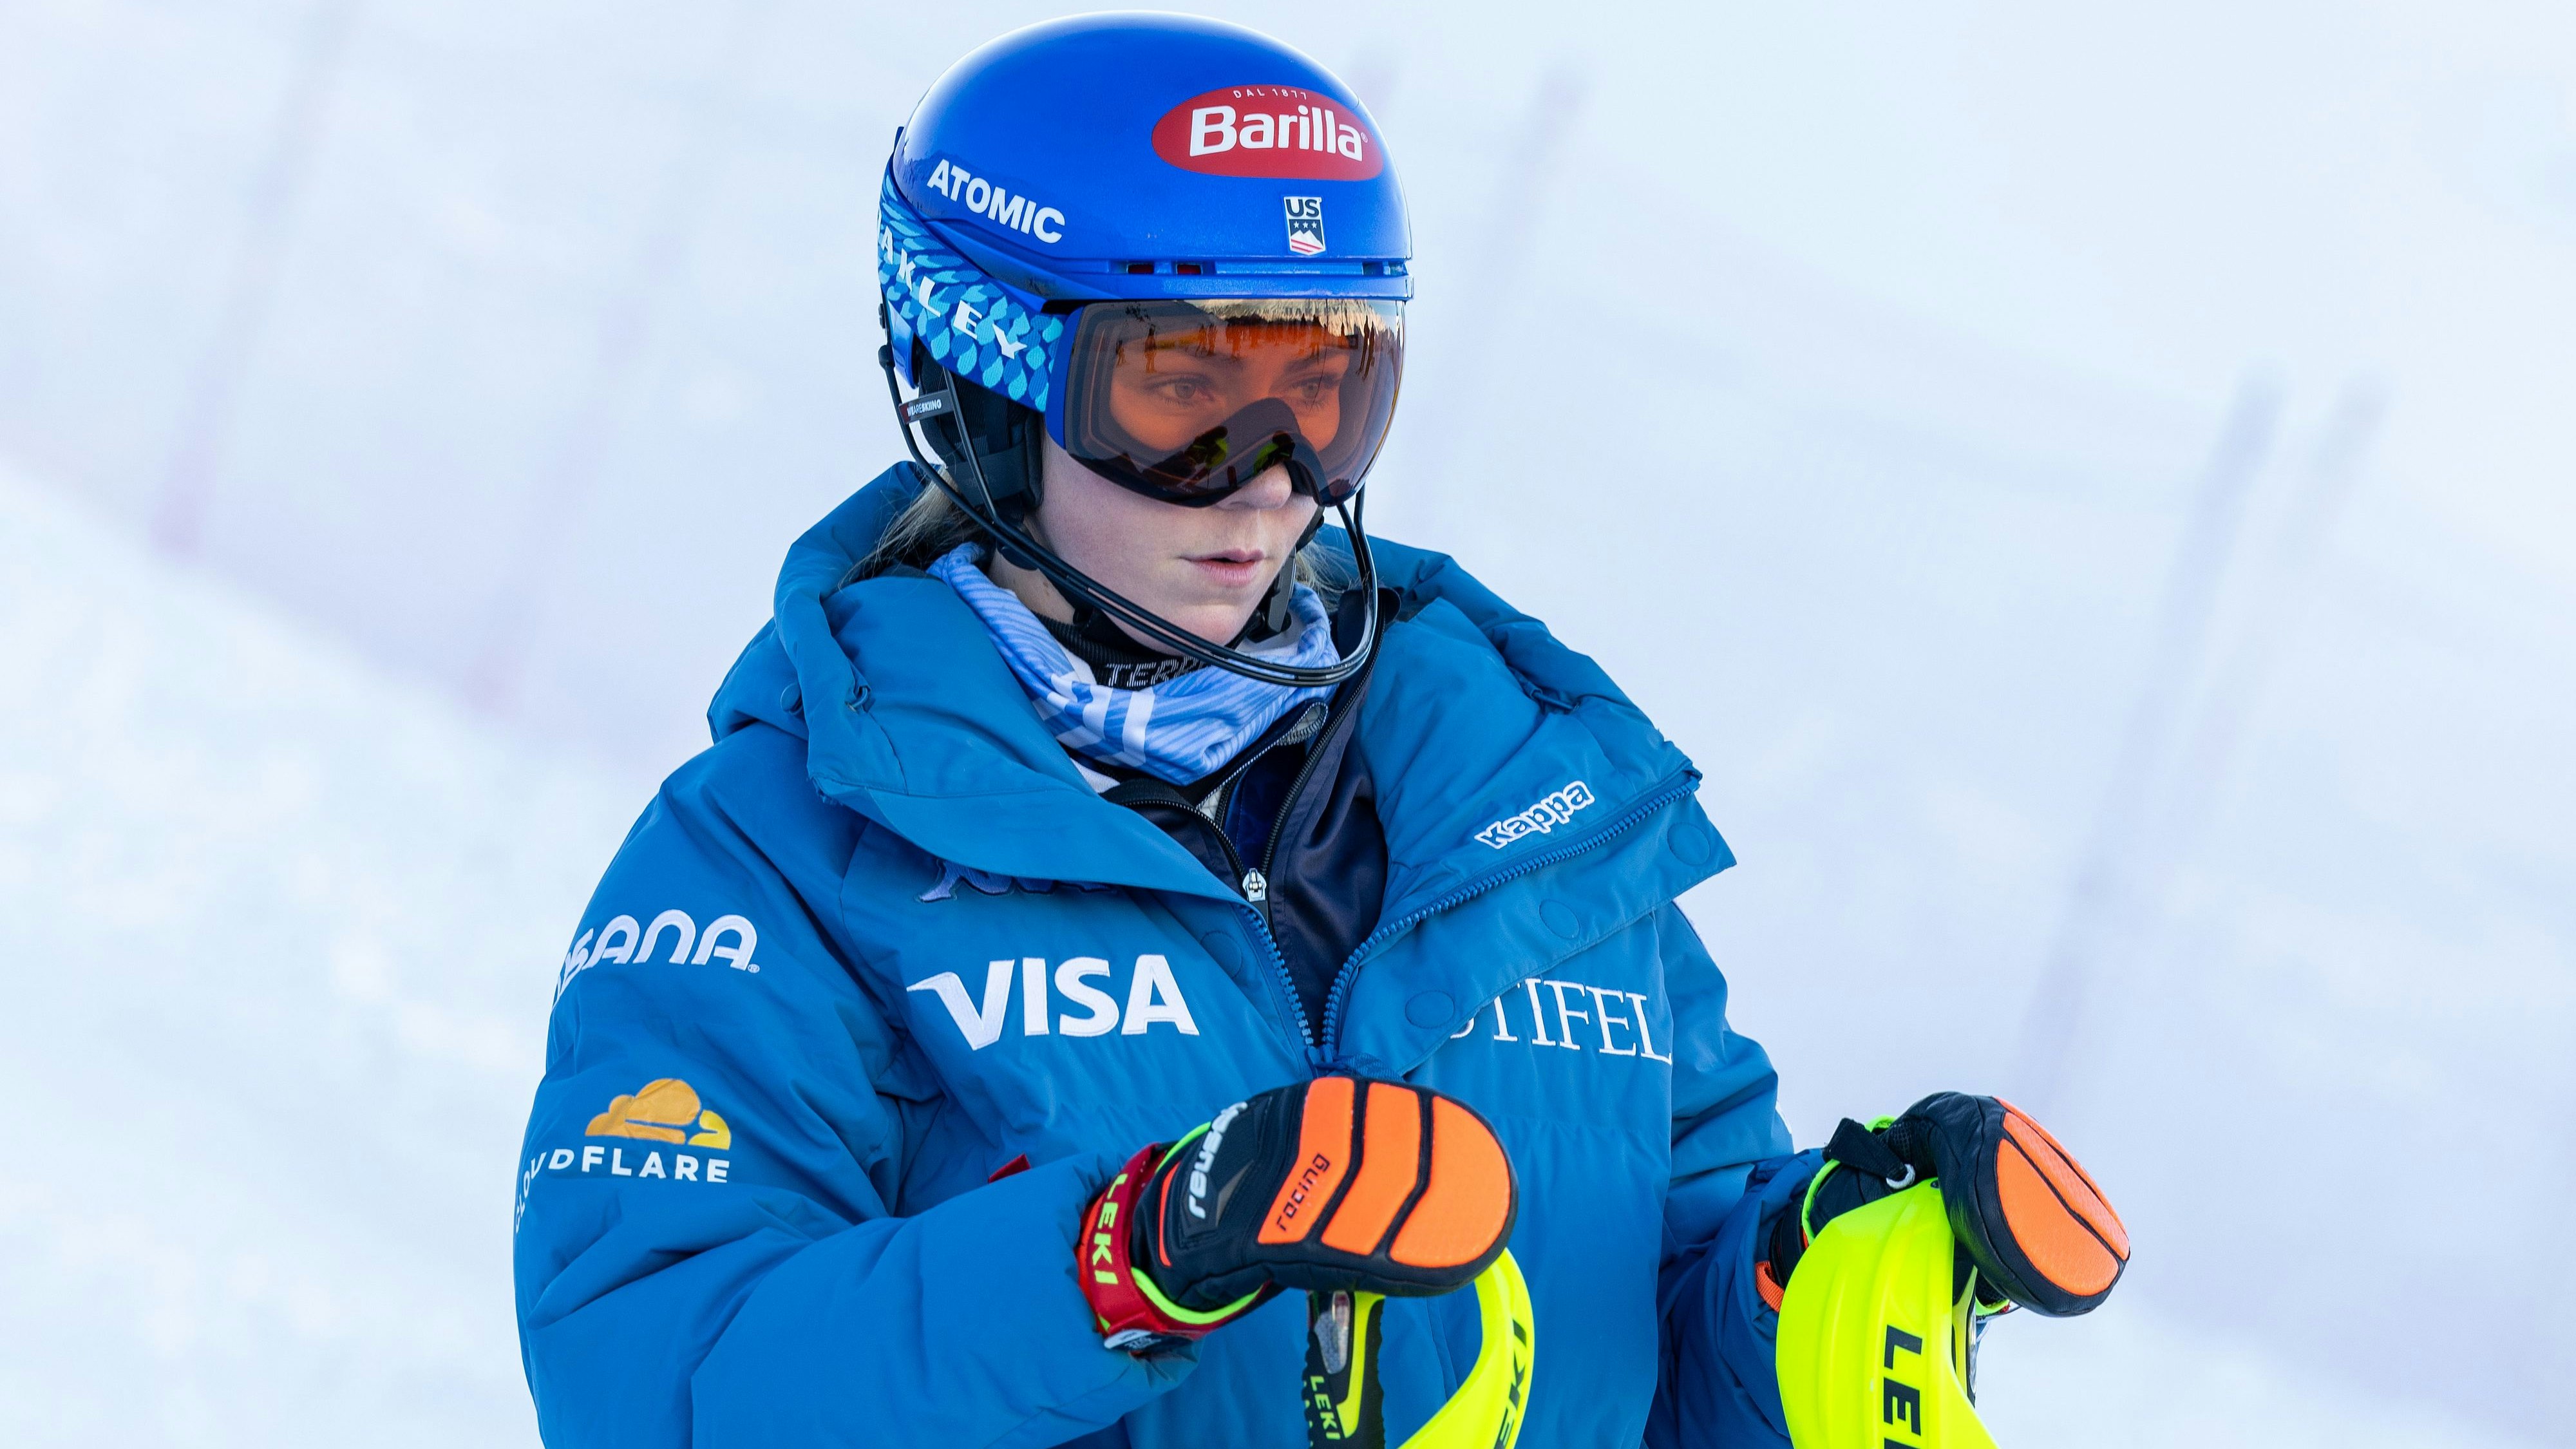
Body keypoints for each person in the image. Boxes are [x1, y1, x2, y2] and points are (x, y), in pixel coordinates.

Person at [511, 15, 2128, 1448]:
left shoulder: (1530, 812)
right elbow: (657, 1385)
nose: (1270, 481)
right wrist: (1128, 1257)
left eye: (1326, 392)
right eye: (1182, 396)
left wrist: (1809, 1274)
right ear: (983, 382)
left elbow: (1660, 1352)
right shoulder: (780, 855)